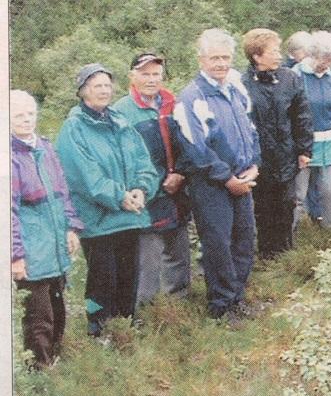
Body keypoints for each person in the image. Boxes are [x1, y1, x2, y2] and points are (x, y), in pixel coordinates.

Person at [56, 63, 159, 337]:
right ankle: (97, 328)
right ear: (82, 91)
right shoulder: (73, 129)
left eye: (106, 85)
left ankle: (124, 327)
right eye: (96, 85)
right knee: (103, 279)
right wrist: (119, 196)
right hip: (98, 219)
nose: (103, 90)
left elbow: (143, 161)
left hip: (129, 216)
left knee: (128, 276)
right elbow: (85, 176)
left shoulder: (120, 122)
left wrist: (141, 189)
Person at [174, 29, 260, 324]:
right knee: (218, 245)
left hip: (242, 179)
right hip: (211, 185)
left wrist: (254, 165)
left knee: (244, 241)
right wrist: (227, 179)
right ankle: (221, 307)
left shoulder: (235, 90)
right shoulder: (191, 97)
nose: (221, 63)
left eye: (225, 57)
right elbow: (196, 148)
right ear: (201, 59)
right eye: (214, 58)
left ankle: (237, 299)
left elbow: (250, 130)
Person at [111, 53, 191, 306]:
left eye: (156, 73)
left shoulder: (173, 103)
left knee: (179, 252)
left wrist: (180, 173)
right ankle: (146, 315)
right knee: (148, 260)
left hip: (178, 190)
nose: (151, 79)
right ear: (132, 77)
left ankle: (178, 308)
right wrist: (148, 186)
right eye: (144, 74)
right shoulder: (121, 112)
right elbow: (122, 160)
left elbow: (188, 144)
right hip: (146, 196)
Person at [11, 90, 84, 367]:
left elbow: (62, 192)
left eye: (30, 113)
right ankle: (40, 369)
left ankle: (57, 360)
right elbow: (9, 212)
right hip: (31, 251)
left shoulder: (45, 148)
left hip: (54, 247)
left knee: (58, 309)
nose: (27, 119)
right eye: (19, 115)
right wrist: (15, 255)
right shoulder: (10, 157)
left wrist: (71, 227)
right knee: (38, 315)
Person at [242, 29, 313, 259]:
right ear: (257, 56)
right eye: (273, 51)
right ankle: (266, 254)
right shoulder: (243, 85)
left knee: (287, 204)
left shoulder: (290, 78)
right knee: (263, 207)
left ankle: (285, 253)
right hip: (259, 159)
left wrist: (304, 149)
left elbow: (301, 115)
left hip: (286, 154)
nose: (279, 55)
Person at [293, 30, 331, 229]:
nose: (327, 64)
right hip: (304, 144)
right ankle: (291, 235)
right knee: (299, 194)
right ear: (312, 54)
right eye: (324, 59)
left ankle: (328, 230)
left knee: (330, 191)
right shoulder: (296, 76)